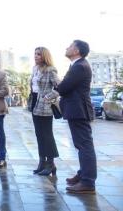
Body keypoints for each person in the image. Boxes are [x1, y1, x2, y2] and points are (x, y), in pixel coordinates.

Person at [57, 40, 96, 194]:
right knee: (82, 145)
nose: (67, 47)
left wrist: (58, 84)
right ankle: (83, 175)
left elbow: (64, 87)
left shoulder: (80, 66)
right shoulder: (77, 65)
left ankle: (88, 182)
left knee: (84, 146)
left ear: (77, 51)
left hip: (79, 110)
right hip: (76, 110)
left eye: (70, 46)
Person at [29, 47, 60, 176]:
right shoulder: (34, 69)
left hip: (45, 104)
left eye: (39, 54)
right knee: (39, 134)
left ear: (45, 56)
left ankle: (51, 164)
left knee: (47, 134)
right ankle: (42, 162)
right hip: (34, 102)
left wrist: (48, 97)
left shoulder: (50, 70)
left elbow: (59, 87)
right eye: (35, 54)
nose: (36, 56)